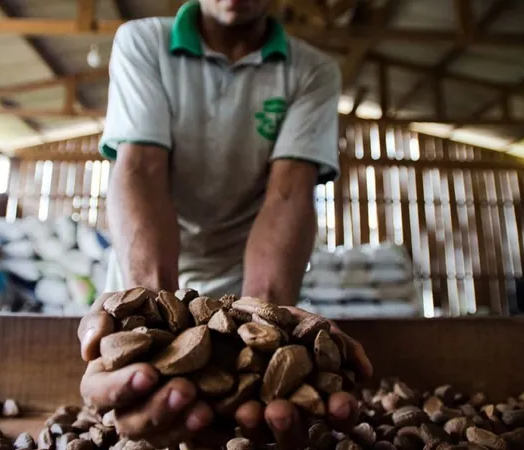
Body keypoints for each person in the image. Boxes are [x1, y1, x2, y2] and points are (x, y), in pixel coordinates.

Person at [79, 0, 372, 447]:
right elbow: (141, 170)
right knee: (145, 409)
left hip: (247, 277)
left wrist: (265, 331)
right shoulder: (144, 42)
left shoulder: (312, 70)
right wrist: (152, 320)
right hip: (151, 268)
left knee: (253, 419)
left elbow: (288, 194)